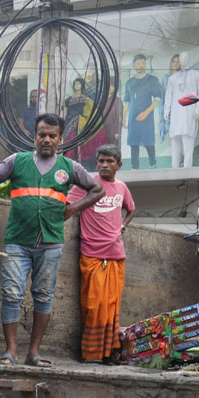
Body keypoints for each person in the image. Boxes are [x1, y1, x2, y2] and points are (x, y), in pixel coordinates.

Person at [0, 113, 103, 367]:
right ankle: (10, 352)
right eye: (42, 135)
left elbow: (97, 189)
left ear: (60, 139)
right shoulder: (17, 161)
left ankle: (33, 353)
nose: (46, 139)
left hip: (50, 242)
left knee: (44, 295)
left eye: (52, 135)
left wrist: (72, 208)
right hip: (17, 241)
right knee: (11, 293)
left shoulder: (70, 168)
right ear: (34, 137)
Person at [67, 144, 135, 363]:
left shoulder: (123, 188)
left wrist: (122, 226)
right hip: (92, 254)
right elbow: (67, 206)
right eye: (101, 161)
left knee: (112, 306)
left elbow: (131, 209)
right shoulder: (87, 185)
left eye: (110, 161)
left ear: (119, 165)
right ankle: (90, 353)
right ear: (96, 163)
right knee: (93, 305)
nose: (105, 165)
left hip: (116, 254)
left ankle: (108, 353)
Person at [122, 53, 162, 170]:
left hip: (147, 116)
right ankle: (134, 168)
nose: (141, 66)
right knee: (134, 143)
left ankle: (153, 164)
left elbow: (157, 98)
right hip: (133, 117)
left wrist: (146, 112)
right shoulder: (129, 83)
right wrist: (124, 118)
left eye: (143, 63)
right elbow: (126, 102)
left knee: (148, 141)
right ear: (134, 66)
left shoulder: (152, 80)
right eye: (138, 63)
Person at [163, 52, 199, 169]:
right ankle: (174, 167)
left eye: (184, 58)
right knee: (175, 141)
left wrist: (198, 109)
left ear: (189, 59)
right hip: (176, 113)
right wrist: (166, 110)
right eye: (180, 59)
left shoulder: (197, 75)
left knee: (188, 141)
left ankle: (187, 167)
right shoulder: (173, 78)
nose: (182, 61)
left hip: (189, 112)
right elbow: (168, 95)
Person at [64, 78, 94, 161]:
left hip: (79, 123)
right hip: (68, 122)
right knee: (67, 141)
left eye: (79, 83)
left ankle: (77, 160)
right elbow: (65, 112)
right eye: (75, 83)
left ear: (82, 85)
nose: (76, 85)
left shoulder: (86, 99)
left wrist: (84, 120)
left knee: (77, 143)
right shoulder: (68, 99)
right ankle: (67, 160)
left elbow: (90, 112)